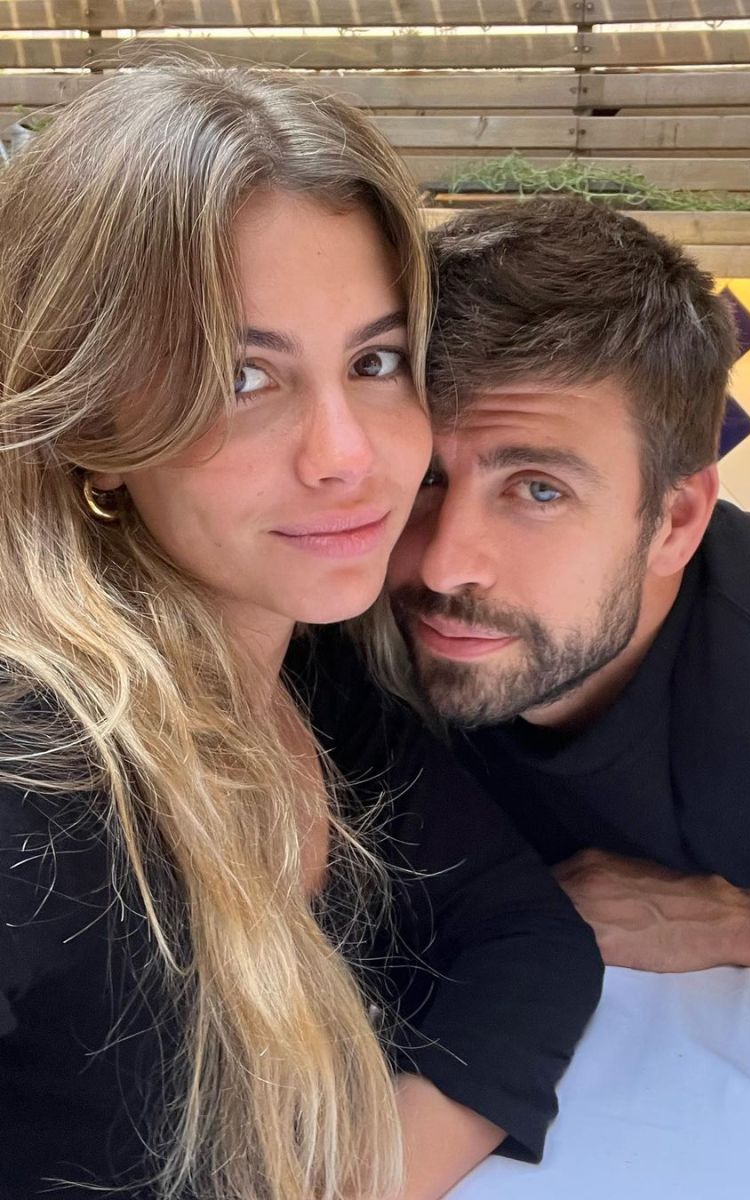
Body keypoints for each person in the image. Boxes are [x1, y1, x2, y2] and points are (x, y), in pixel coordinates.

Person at [0, 72, 602, 1200]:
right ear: (89, 425)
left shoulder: (314, 672)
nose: (347, 456)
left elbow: (527, 940)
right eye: (244, 376)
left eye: (375, 362)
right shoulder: (36, 765)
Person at [379, 195, 750, 998]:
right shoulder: (354, 611)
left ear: (675, 520)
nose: (444, 566)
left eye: (539, 490)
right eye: (424, 477)